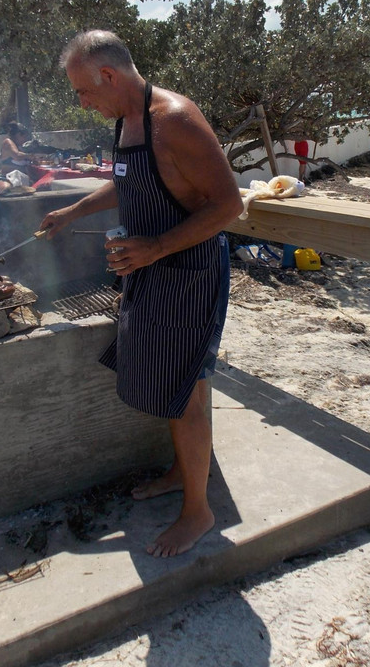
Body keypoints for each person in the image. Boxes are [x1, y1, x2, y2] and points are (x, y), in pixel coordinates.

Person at [40, 30, 243, 558]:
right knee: (179, 383)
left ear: (109, 75)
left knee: (185, 392)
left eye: (84, 92)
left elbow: (229, 206)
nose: (82, 104)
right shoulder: (126, 121)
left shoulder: (174, 119)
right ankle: (182, 473)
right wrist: (73, 211)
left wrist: (156, 247)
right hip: (152, 270)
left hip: (190, 273)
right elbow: (131, 181)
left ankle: (198, 513)